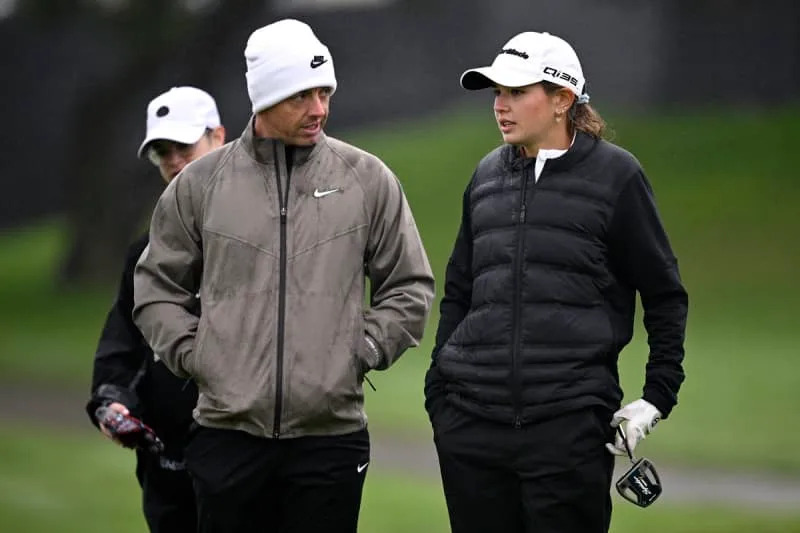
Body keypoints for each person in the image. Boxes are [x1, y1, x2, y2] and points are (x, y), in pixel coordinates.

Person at [132, 18, 435, 533]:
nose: (319, 108)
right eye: (301, 95)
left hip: (330, 439)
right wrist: (196, 355)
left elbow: (409, 287)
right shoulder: (199, 185)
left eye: (325, 92)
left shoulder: (367, 179)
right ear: (263, 99)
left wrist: (358, 352)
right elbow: (157, 289)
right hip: (227, 435)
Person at [424, 31, 688, 533]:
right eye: (496, 93)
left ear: (563, 99)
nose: (500, 106)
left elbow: (664, 294)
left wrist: (657, 396)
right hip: (471, 427)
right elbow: (459, 291)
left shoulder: (617, 176)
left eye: (516, 92)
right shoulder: (484, 177)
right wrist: (440, 391)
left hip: (568, 430)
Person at [86, 86, 226, 533]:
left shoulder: (262, 237)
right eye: (162, 151)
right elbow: (122, 346)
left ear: (218, 138)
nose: (173, 160)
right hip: (167, 467)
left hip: (245, 462)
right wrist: (112, 402)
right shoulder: (144, 254)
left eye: (184, 145)